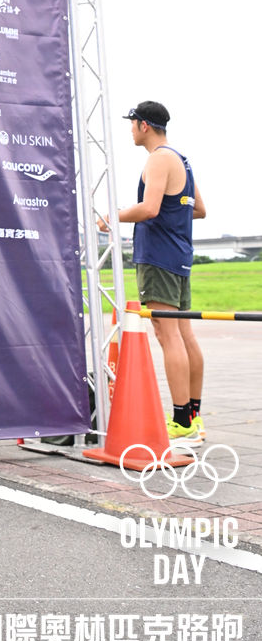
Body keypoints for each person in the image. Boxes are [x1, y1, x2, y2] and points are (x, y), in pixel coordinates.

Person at [101, 101, 206, 444]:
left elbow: (149, 208)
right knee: (184, 335)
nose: (130, 130)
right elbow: (198, 209)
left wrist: (111, 217)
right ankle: (193, 417)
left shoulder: (158, 159)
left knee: (167, 334)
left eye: (132, 124)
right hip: (179, 255)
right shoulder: (181, 159)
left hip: (159, 257)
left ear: (143, 125)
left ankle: (182, 421)